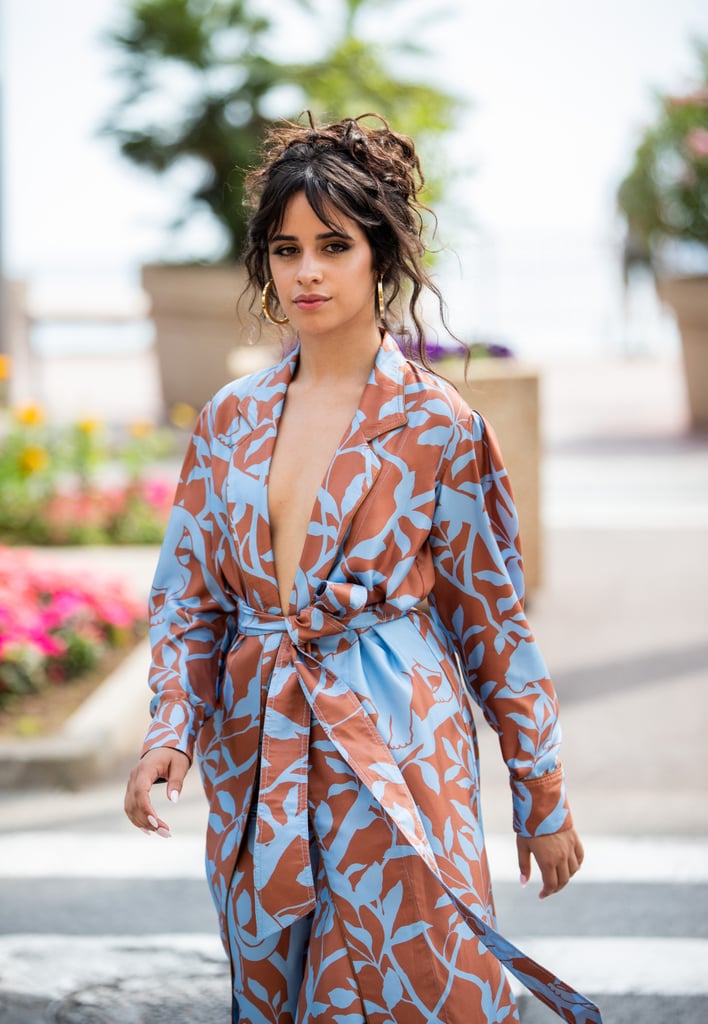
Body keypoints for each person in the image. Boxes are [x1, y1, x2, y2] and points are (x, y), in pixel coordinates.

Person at [124, 113, 601, 1024]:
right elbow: (189, 598)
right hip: (258, 752)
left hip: (399, 749)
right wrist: (170, 734)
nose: (305, 270)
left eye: (333, 245)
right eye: (285, 247)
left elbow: (492, 622)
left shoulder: (438, 428)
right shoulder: (229, 420)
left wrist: (541, 792)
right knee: (278, 988)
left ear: (379, 257)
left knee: (421, 988)